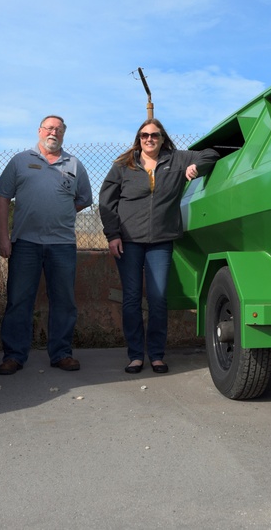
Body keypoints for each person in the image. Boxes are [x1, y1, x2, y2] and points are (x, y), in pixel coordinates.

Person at [99, 118, 219, 374]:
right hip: (128, 241)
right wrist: (112, 235)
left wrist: (197, 166)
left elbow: (211, 153)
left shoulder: (177, 159)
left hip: (161, 241)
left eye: (154, 135)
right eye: (144, 135)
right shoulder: (124, 165)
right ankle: (135, 355)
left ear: (163, 138)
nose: (149, 139)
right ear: (138, 138)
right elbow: (106, 203)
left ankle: (156, 355)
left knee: (158, 298)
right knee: (131, 299)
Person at [0, 115, 92, 375]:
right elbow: (3, 198)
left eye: (59, 129)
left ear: (64, 134)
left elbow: (84, 198)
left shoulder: (74, 164)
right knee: (18, 300)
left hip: (62, 245)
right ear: (39, 131)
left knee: (63, 301)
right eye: (49, 128)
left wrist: (61, 213)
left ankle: (61, 353)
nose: (54, 132)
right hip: (25, 243)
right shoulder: (20, 161)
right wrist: (3, 237)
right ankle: (14, 356)